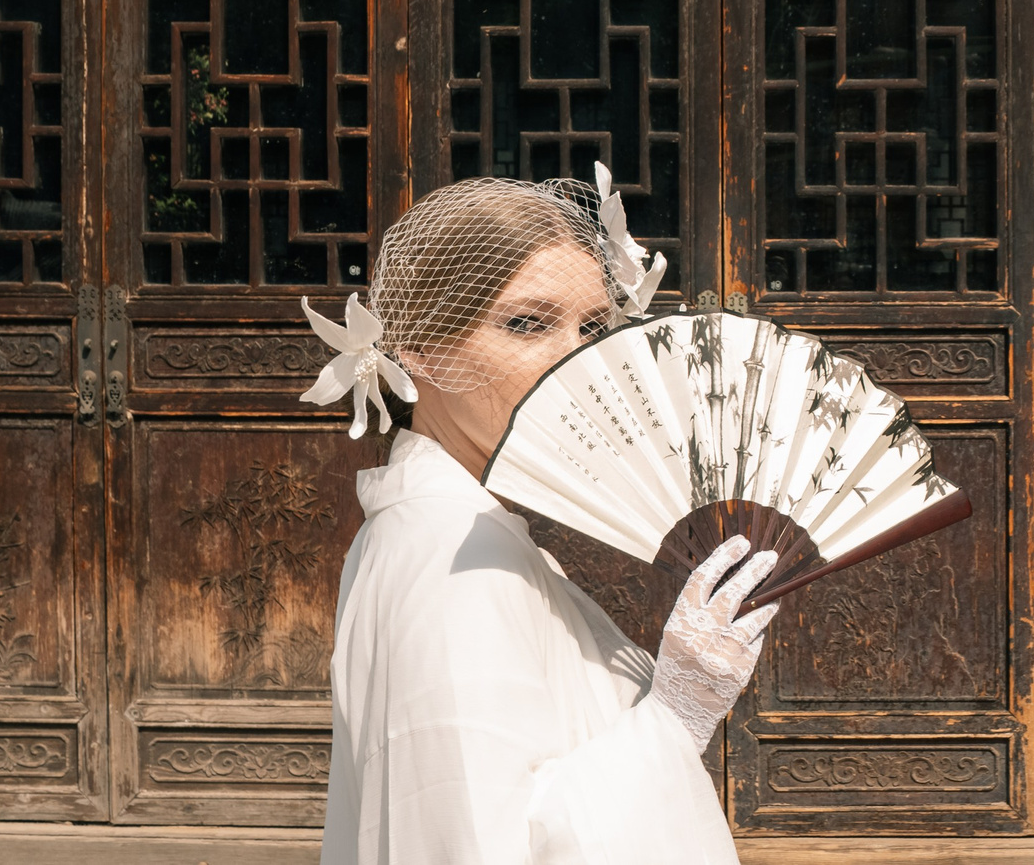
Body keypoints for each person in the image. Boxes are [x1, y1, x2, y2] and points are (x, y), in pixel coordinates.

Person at [300, 176, 774, 865]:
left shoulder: (455, 527)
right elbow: (481, 844)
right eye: (527, 322)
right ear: (418, 349)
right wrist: (675, 711)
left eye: (593, 326)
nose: (577, 357)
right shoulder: (448, 559)